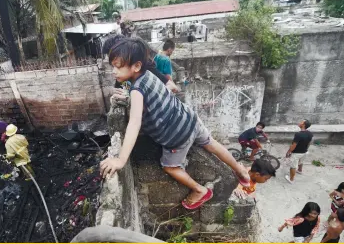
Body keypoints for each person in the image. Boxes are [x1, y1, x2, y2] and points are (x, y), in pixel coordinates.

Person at [99, 38, 250, 210]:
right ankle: (240, 170)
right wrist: (128, 98)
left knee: (170, 167)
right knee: (211, 143)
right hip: (190, 120)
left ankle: (200, 190)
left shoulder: (136, 90)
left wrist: (120, 160)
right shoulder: (149, 75)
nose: (113, 71)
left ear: (136, 66)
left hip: (178, 137)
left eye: (118, 66)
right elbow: (155, 98)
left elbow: (134, 123)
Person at [102, 34, 179, 93]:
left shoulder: (145, 69)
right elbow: (124, 88)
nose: (114, 70)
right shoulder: (124, 75)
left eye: (117, 64)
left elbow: (171, 85)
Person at [285, 119, 313, 184]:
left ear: (303, 125)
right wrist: (306, 149)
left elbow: (294, 145)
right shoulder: (310, 133)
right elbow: (309, 143)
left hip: (296, 153)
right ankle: (300, 170)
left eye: (301, 122)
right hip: (304, 152)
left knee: (293, 166)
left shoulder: (298, 134)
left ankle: (291, 179)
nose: (299, 122)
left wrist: (288, 152)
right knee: (301, 161)